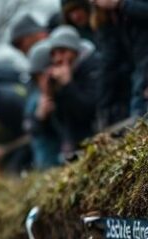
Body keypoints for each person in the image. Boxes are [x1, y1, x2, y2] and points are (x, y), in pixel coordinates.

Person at [46, 26, 101, 155]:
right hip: (78, 145)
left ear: (75, 51)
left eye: (63, 51)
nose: (58, 58)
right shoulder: (65, 75)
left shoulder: (93, 66)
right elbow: (61, 120)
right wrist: (52, 92)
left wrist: (68, 84)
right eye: (54, 54)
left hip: (99, 138)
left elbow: (88, 110)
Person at [91, 0, 148, 124]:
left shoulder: (127, 7)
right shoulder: (108, 19)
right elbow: (109, 62)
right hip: (138, 78)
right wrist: (102, 106)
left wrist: (121, 4)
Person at [25, 39, 64, 168]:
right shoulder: (35, 100)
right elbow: (31, 130)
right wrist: (40, 117)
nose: (43, 82)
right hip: (52, 163)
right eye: (38, 78)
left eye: (44, 76)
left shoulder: (67, 89)